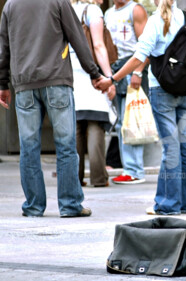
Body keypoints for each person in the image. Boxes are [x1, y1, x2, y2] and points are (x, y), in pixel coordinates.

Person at [0, 0, 103, 217]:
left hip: (25, 85)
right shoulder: (57, 1)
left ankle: (34, 206)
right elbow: (77, 38)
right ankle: (70, 205)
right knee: (66, 145)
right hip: (57, 82)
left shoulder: (10, 5)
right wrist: (93, 73)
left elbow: (4, 46)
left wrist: (2, 84)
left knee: (28, 148)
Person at [97, 0, 186, 215]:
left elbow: (138, 57)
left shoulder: (154, 21)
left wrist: (112, 79)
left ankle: (168, 205)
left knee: (171, 146)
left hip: (162, 89)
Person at [70, 0, 116, 187]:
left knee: (76, 126)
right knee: (96, 123)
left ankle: (75, 178)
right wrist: (109, 78)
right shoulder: (93, 10)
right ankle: (98, 178)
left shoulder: (63, 7)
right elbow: (98, 46)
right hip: (91, 74)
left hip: (68, 73)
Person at [104, 0, 149, 184]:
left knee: (132, 121)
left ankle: (135, 170)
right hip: (115, 68)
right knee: (122, 121)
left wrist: (138, 71)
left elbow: (146, 45)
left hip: (132, 66)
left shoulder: (135, 10)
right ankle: (129, 168)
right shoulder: (108, 13)